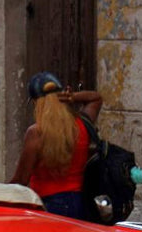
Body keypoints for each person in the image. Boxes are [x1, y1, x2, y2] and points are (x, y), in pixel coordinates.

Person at [10, 71, 103, 220]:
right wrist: (73, 97)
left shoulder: (36, 133)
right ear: (62, 98)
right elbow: (96, 98)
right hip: (80, 204)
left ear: (37, 103)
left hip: (48, 206)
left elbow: (21, 180)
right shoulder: (82, 125)